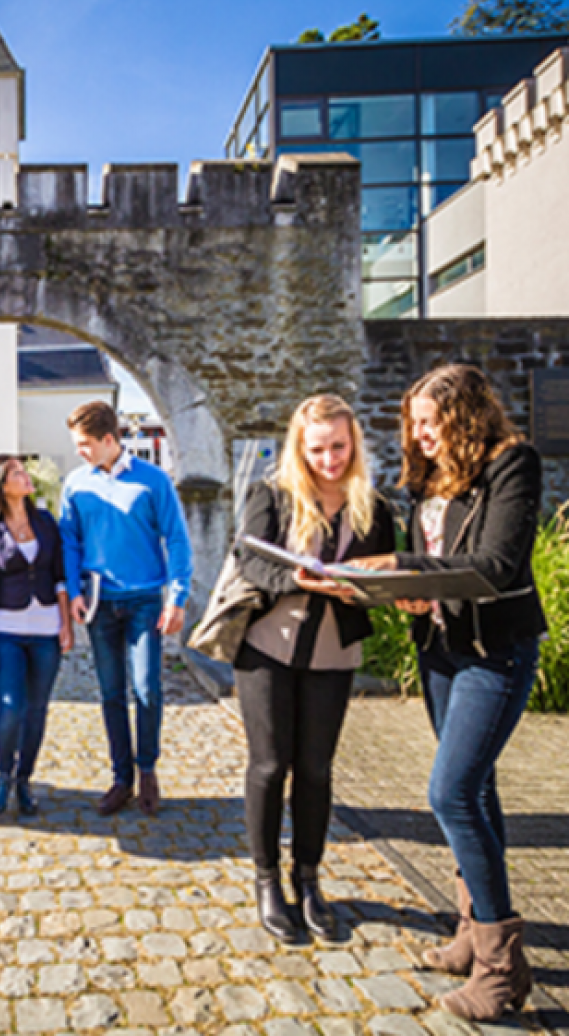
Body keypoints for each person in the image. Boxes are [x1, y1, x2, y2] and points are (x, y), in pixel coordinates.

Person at [351, 364, 544, 1021]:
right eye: (414, 424)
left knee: (451, 792)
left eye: (430, 423)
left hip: (496, 652)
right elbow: (439, 566)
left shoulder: (512, 465)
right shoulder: (428, 477)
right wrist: (407, 592)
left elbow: (496, 567)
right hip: (438, 649)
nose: (420, 435)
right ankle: (470, 930)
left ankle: (501, 970)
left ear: (464, 416)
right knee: (477, 790)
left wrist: (404, 566)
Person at [233, 394, 395, 943]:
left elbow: (384, 569)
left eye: (339, 447)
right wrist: (294, 580)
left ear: (354, 445)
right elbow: (250, 559)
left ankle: (308, 879)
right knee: (270, 765)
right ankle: (266, 880)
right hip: (268, 647)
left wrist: (367, 587)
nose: (329, 460)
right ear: (300, 448)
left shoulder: (373, 505)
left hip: (333, 652)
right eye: (318, 449)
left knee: (317, 769)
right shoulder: (272, 494)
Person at [59, 400, 192, 817]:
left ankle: (147, 769)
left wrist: (177, 598)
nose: (79, 451)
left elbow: (177, 539)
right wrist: (75, 591)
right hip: (99, 602)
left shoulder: (153, 481)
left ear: (108, 439)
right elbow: (70, 541)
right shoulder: (75, 484)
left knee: (146, 688)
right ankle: (122, 778)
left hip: (144, 601)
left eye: (85, 443)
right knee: (111, 693)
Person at [0, 456, 73, 816]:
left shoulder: (45, 521)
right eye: (17, 472)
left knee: (37, 710)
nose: (25, 476)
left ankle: (24, 780)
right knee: (11, 707)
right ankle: (3, 775)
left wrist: (66, 625)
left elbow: (60, 577)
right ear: (1, 485)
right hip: (6, 633)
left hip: (46, 631)